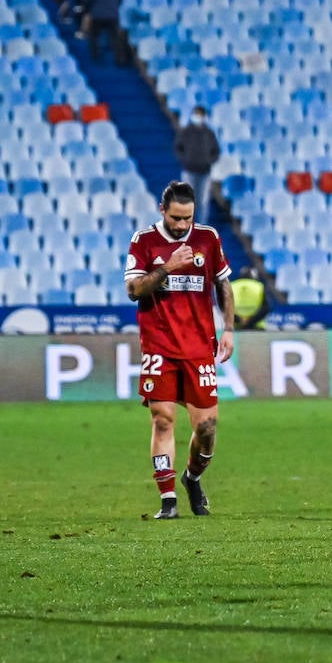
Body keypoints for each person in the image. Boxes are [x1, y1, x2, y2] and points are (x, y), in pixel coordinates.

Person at [126, 180, 236, 520]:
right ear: (163, 210)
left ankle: (192, 478)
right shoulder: (144, 241)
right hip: (159, 345)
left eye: (187, 218)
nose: (182, 225)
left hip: (199, 346)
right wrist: (168, 266)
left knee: (207, 428)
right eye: (176, 218)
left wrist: (229, 329)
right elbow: (133, 288)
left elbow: (223, 284)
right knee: (163, 420)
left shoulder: (208, 237)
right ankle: (168, 499)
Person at [174, 104, 220, 226]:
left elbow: (216, 150)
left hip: (205, 172)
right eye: (196, 115)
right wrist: (186, 159)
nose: (198, 117)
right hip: (189, 170)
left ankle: (202, 226)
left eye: (200, 115)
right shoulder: (186, 132)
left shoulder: (209, 133)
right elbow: (178, 147)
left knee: (203, 201)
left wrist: (208, 160)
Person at [80, 0, 127, 66]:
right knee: (115, 37)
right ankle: (120, 59)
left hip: (97, 13)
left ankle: (95, 57)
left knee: (94, 36)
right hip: (112, 13)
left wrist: (87, 8)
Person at [231, 265, 272, 330]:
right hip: (256, 327)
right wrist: (250, 321)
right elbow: (266, 308)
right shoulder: (260, 286)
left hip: (236, 329)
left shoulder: (231, 286)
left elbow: (224, 308)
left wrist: (238, 319)